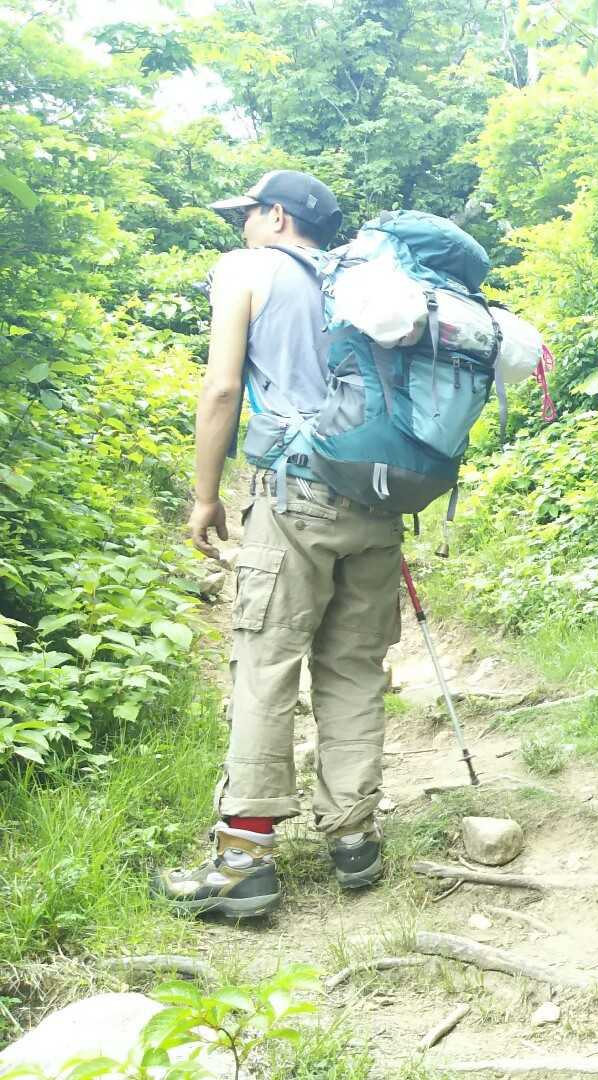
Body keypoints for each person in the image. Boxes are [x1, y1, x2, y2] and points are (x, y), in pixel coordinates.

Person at [152, 171, 398, 918]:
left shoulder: (247, 269)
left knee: (267, 661)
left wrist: (204, 495)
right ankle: (353, 838)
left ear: (279, 216)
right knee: (353, 665)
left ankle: (244, 859)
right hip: (378, 497)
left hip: (295, 495)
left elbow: (223, 389)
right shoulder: (368, 280)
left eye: (249, 212)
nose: (241, 226)